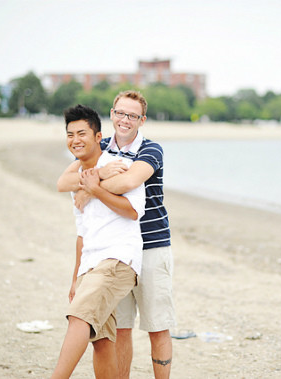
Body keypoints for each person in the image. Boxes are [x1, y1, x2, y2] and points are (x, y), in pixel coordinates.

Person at [57, 90, 175, 379]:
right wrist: (96, 175)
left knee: (156, 327)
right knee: (119, 329)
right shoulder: (101, 146)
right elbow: (63, 181)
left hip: (152, 245)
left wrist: (92, 183)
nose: (125, 120)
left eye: (132, 115)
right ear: (111, 114)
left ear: (142, 120)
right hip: (113, 250)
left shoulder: (150, 150)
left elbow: (131, 179)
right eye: (120, 113)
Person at [51, 104, 146, 379]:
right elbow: (83, 234)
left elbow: (132, 211)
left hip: (117, 259)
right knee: (102, 342)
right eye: (70, 135)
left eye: (82, 133)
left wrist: (95, 188)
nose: (75, 140)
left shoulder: (119, 167)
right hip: (90, 265)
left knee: (79, 316)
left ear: (98, 137)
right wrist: (75, 277)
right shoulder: (76, 180)